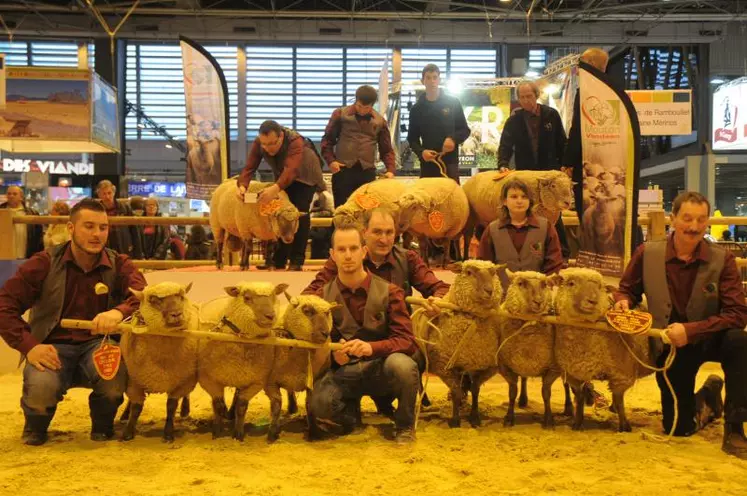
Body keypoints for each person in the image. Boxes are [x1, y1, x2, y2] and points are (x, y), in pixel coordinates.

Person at [0, 198, 147, 445]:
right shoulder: (43, 263)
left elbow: (143, 297)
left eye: (103, 227)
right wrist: (30, 346)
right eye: (88, 226)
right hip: (51, 346)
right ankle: (35, 427)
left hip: (99, 345)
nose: (97, 234)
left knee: (113, 380)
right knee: (41, 386)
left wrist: (119, 312)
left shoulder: (119, 264)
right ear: (70, 228)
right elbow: (4, 306)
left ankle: (103, 427)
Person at [613, 191, 747, 459]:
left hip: (711, 337)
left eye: (701, 219)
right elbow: (627, 289)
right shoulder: (647, 253)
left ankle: (735, 426)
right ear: (672, 219)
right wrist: (622, 302)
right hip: (671, 345)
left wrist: (692, 330)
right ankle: (710, 395)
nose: (694, 226)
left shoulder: (723, 260)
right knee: (678, 427)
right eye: (687, 218)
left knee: (740, 341)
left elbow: (738, 314)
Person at [306, 225, 420, 443]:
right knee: (318, 405)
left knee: (404, 367)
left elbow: (407, 341)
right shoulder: (320, 298)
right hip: (345, 373)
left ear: (364, 251)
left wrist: (372, 348)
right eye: (341, 249)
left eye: (353, 248)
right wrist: (333, 357)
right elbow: (316, 346)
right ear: (332, 255)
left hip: (382, 368)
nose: (348, 255)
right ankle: (351, 417)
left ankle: (404, 426)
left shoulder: (391, 292)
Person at [303, 207, 450, 302]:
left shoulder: (408, 258)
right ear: (364, 232)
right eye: (377, 232)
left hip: (396, 334)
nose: (384, 240)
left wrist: (437, 300)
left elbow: (441, 288)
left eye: (389, 232)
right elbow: (309, 295)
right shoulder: (345, 258)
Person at [237, 120, 325, 271]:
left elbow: (292, 170)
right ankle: (278, 260)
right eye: (264, 144)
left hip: (305, 175)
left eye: (272, 144)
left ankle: (297, 261)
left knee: (299, 213)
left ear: (281, 136)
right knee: (279, 214)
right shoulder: (260, 142)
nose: (267, 148)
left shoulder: (295, 141)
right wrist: (242, 186)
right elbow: (250, 166)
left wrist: (275, 188)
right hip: (283, 175)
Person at [497, 81, 571, 258]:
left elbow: (562, 141)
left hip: (550, 173)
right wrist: (503, 164)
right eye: (522, 97)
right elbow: (505, 145)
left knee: (553, 212)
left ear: (536, 95)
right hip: (526, 174)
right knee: (528, 210)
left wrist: (566, 165)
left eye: (529, 96)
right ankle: (532, 252)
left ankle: (563, 252)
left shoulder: (551, 115)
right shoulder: (514, 120)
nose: (525, 100)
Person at [478, 179, 564, 287]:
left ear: (530, 201)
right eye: (514, 197)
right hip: (502, 297)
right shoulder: (492, 230)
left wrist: (544, 286)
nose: (519, 201)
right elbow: (484, 265)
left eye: (524, 197)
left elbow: (554, 263)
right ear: (504, 201)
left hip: (537, 297)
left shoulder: (546, 227)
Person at [321, 85, 396, 208]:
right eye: (359, 106)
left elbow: (386, 150)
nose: (362, 110)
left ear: (372, 105)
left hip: (367, 172)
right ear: (355, 100)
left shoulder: (380, 121)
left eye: (366, 108)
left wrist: (390, 170)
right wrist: (331, 161)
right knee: (342, 211)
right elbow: (327, 140)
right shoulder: (340, 114)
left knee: (366, 212)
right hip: (343, 171)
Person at [564, 48, 610, 221]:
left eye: (580, 64)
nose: (578, 68)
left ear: (590, 64)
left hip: (585, 165)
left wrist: (567, 162)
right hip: (608, 162)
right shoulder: (614, 92)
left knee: (587, 215)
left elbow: (577, 130)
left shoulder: (585, 93)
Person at [407, 64, 470, 183]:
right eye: (428, 78)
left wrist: (453, 139)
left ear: (439, 80)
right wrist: (422, 153)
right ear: (422, 81)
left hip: (450, 163)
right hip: (428, 164)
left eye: (435, 77)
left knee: (452, 198)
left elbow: (465, 130)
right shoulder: (416, 109)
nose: (432, 81)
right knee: (427, 198)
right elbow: (412, 139)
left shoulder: (453, 103)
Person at [95, 180, 143, 259]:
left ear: (114, 193)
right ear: (99, 195)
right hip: (104, 246)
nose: (107, 196)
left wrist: (138, 254)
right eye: (104, 193)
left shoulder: (125, 208)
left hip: (125, 245)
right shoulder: (96, 210)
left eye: (109, 193)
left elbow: (134, 231)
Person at [1, 185, 44, 259]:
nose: (11, 196)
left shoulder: (32, 213)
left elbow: (39, 239)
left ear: (21, 197)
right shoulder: (1, 211)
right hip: (3, 258)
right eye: (9, 193)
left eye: (14, 194)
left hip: (26, 257)